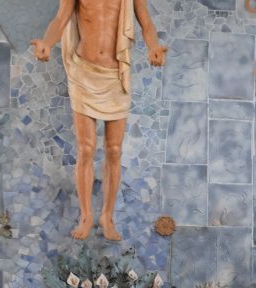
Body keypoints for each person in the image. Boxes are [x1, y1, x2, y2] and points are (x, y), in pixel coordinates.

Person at [32, 0, 167, 240]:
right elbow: (61, 18)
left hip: (115, 75)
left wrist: (153, 45)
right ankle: (86, 216)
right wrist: (48, 43)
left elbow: (145, 21)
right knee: (86, 147)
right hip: (84, 72)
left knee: (114, 150)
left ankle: (107, 216)